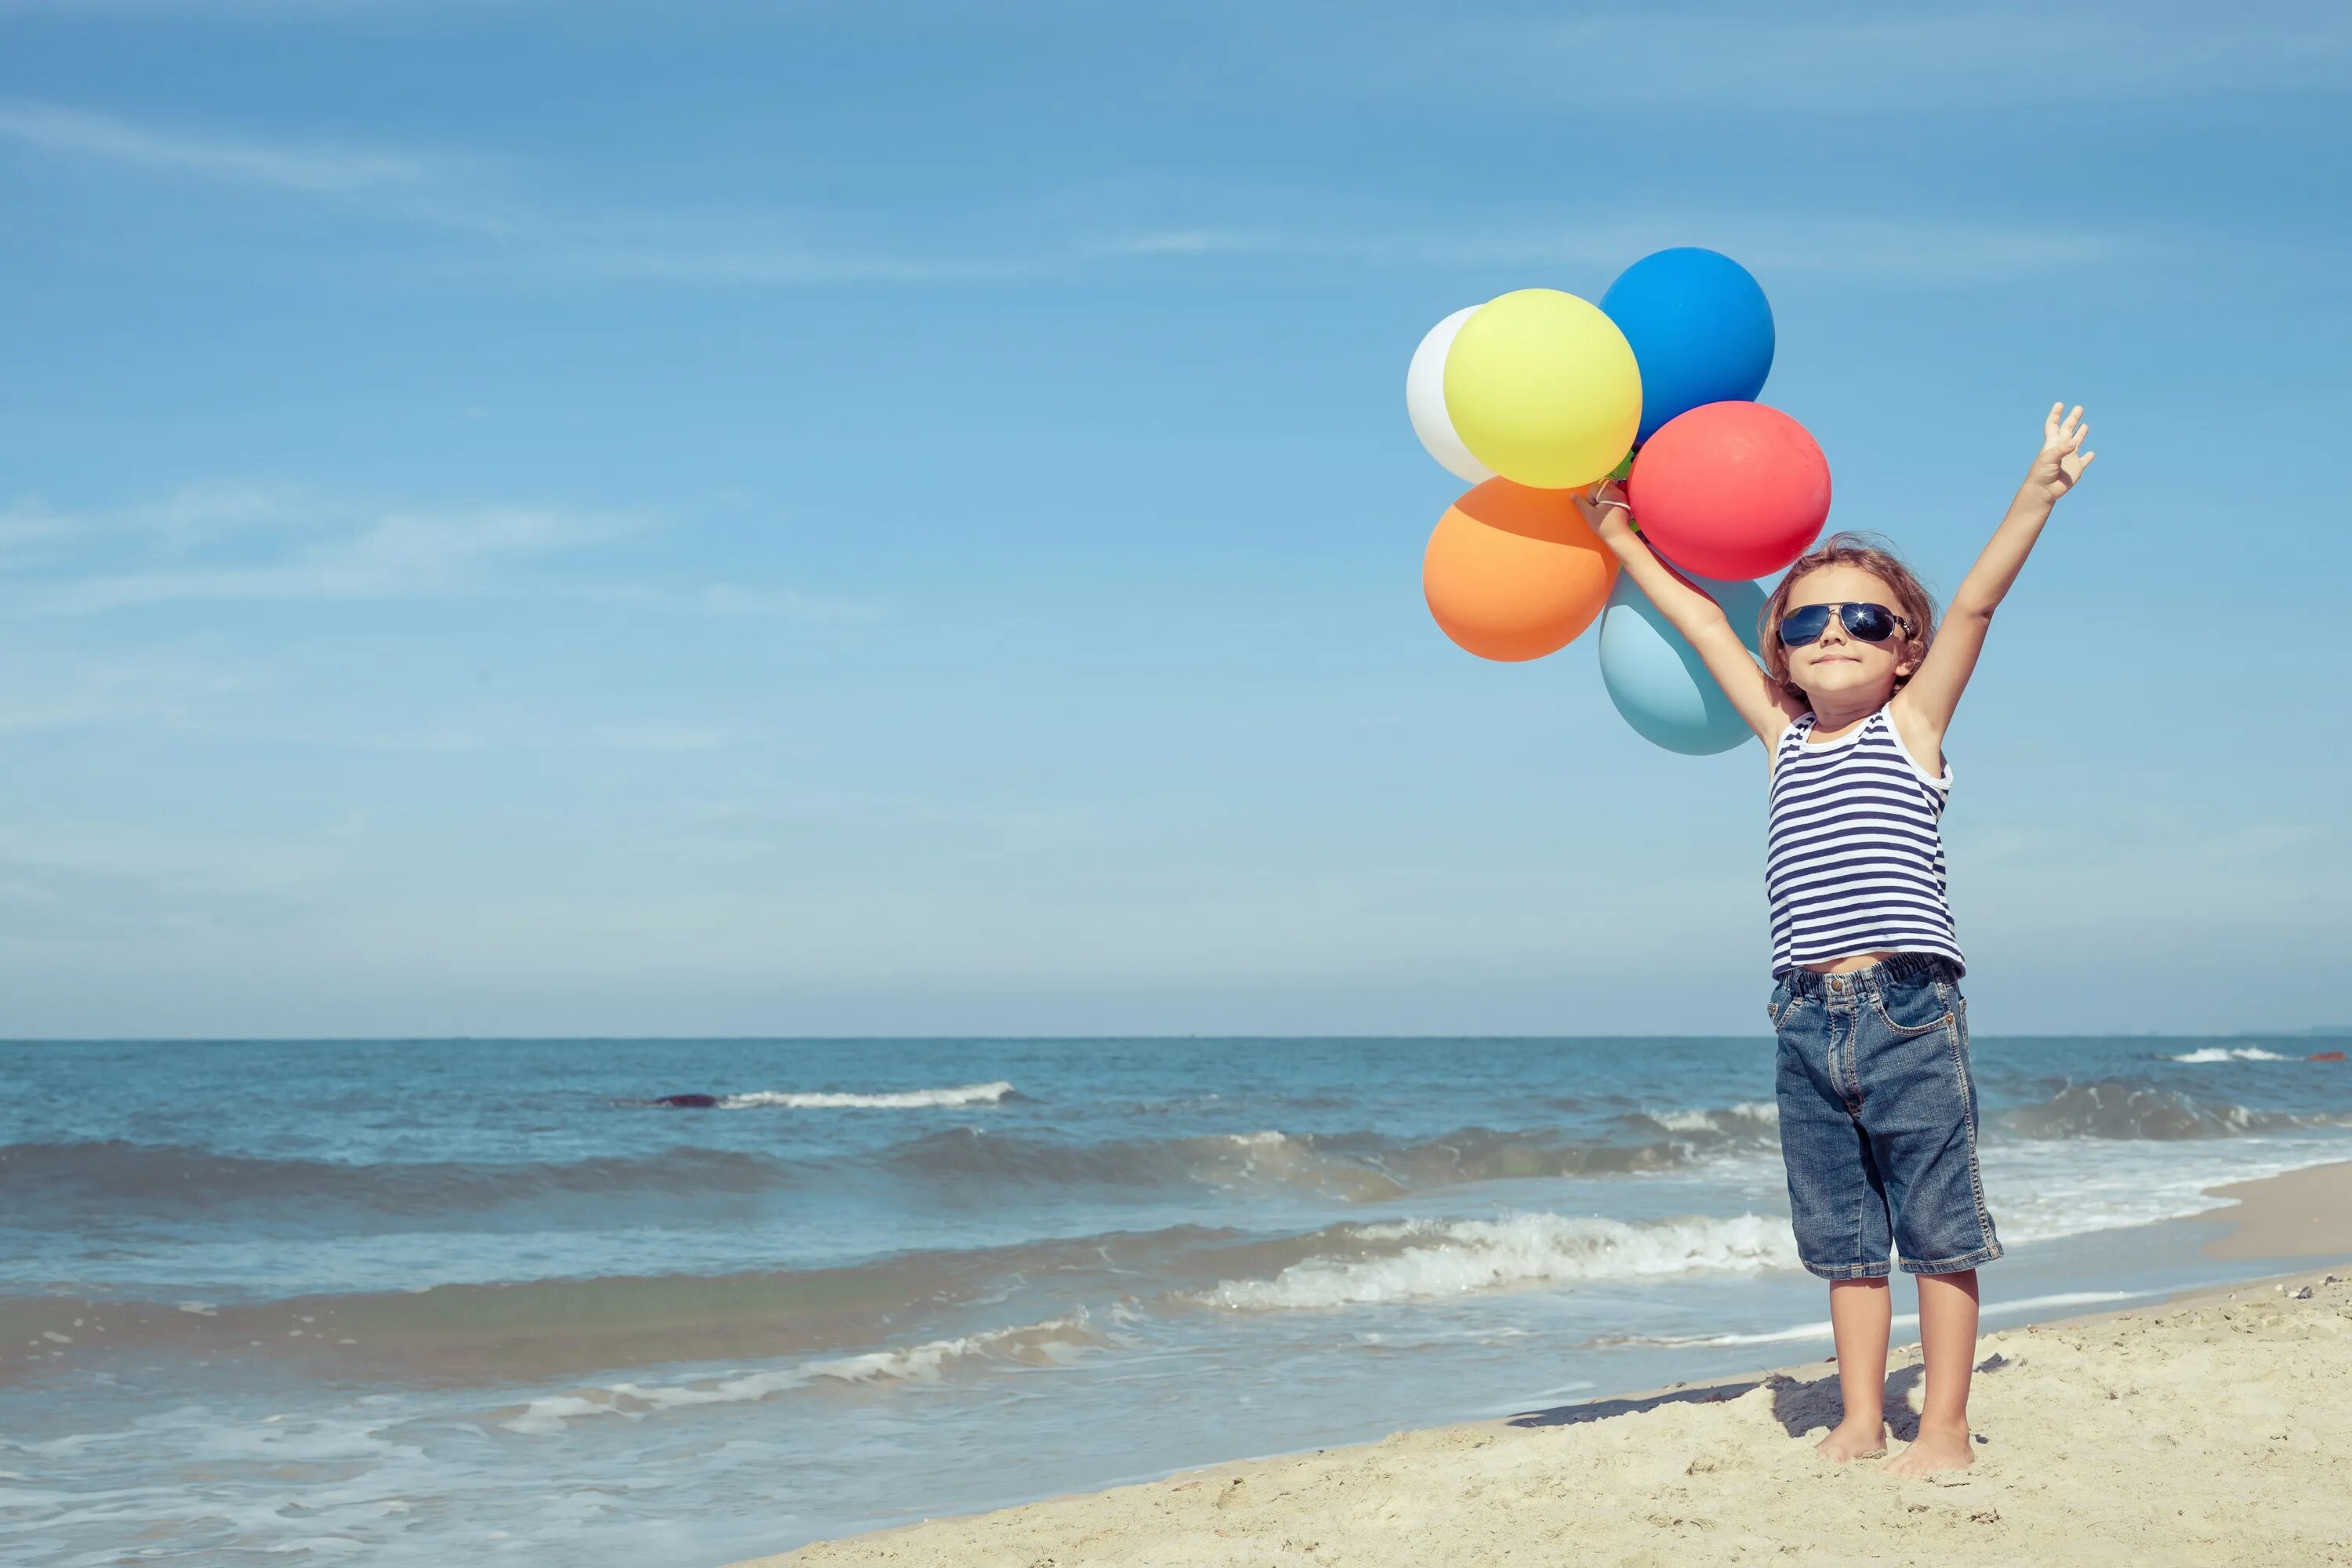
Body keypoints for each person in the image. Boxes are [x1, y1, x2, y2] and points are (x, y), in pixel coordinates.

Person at [1575, 403, 2096, 1478]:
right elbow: (1706, 627)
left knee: (1939, 1232)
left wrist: (2033, 496)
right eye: (1807, 623)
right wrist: (1621, 539)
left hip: (1908, 1009)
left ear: (1906, 651)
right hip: (1804, 1016)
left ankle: (1943, 1425)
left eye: (1863, 621)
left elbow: (1979, 606)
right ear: (1785, 653)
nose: (1832, 636)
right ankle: (1862, 1417)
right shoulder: (1781, 738)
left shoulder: (1913, 731)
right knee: (1845, 1241)